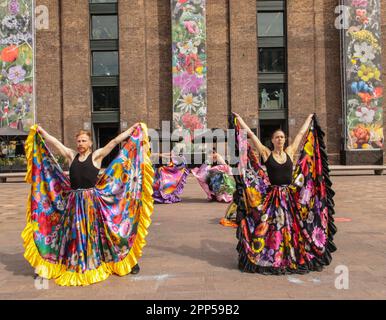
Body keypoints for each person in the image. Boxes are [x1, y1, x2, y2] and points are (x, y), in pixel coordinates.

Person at [22, 122, 154, 286]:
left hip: (92, 203)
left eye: (84, 141)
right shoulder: (71, 156)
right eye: (78, 141)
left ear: (90, 143)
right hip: (74, 203)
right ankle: (55, 265)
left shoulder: (96, 156)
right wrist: (42, 131)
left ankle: (127, 261)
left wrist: (131, 130)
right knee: (72, 234)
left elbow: (114, 142)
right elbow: (56, 143)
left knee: (104, 234)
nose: (81, 144)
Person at [231, 112, 337, 274]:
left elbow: (301, 135)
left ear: (284, 140)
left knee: (292, 227)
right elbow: (251, 135)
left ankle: (291, 255)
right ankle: (276, 254)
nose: (280, 139)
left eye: (282, 137)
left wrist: (309, 119)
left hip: (289, 197)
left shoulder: (289, 152)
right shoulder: (266, 153)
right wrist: (240, 120)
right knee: (275, 228)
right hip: (273, 198)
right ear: (272, 140)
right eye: (277, 137)